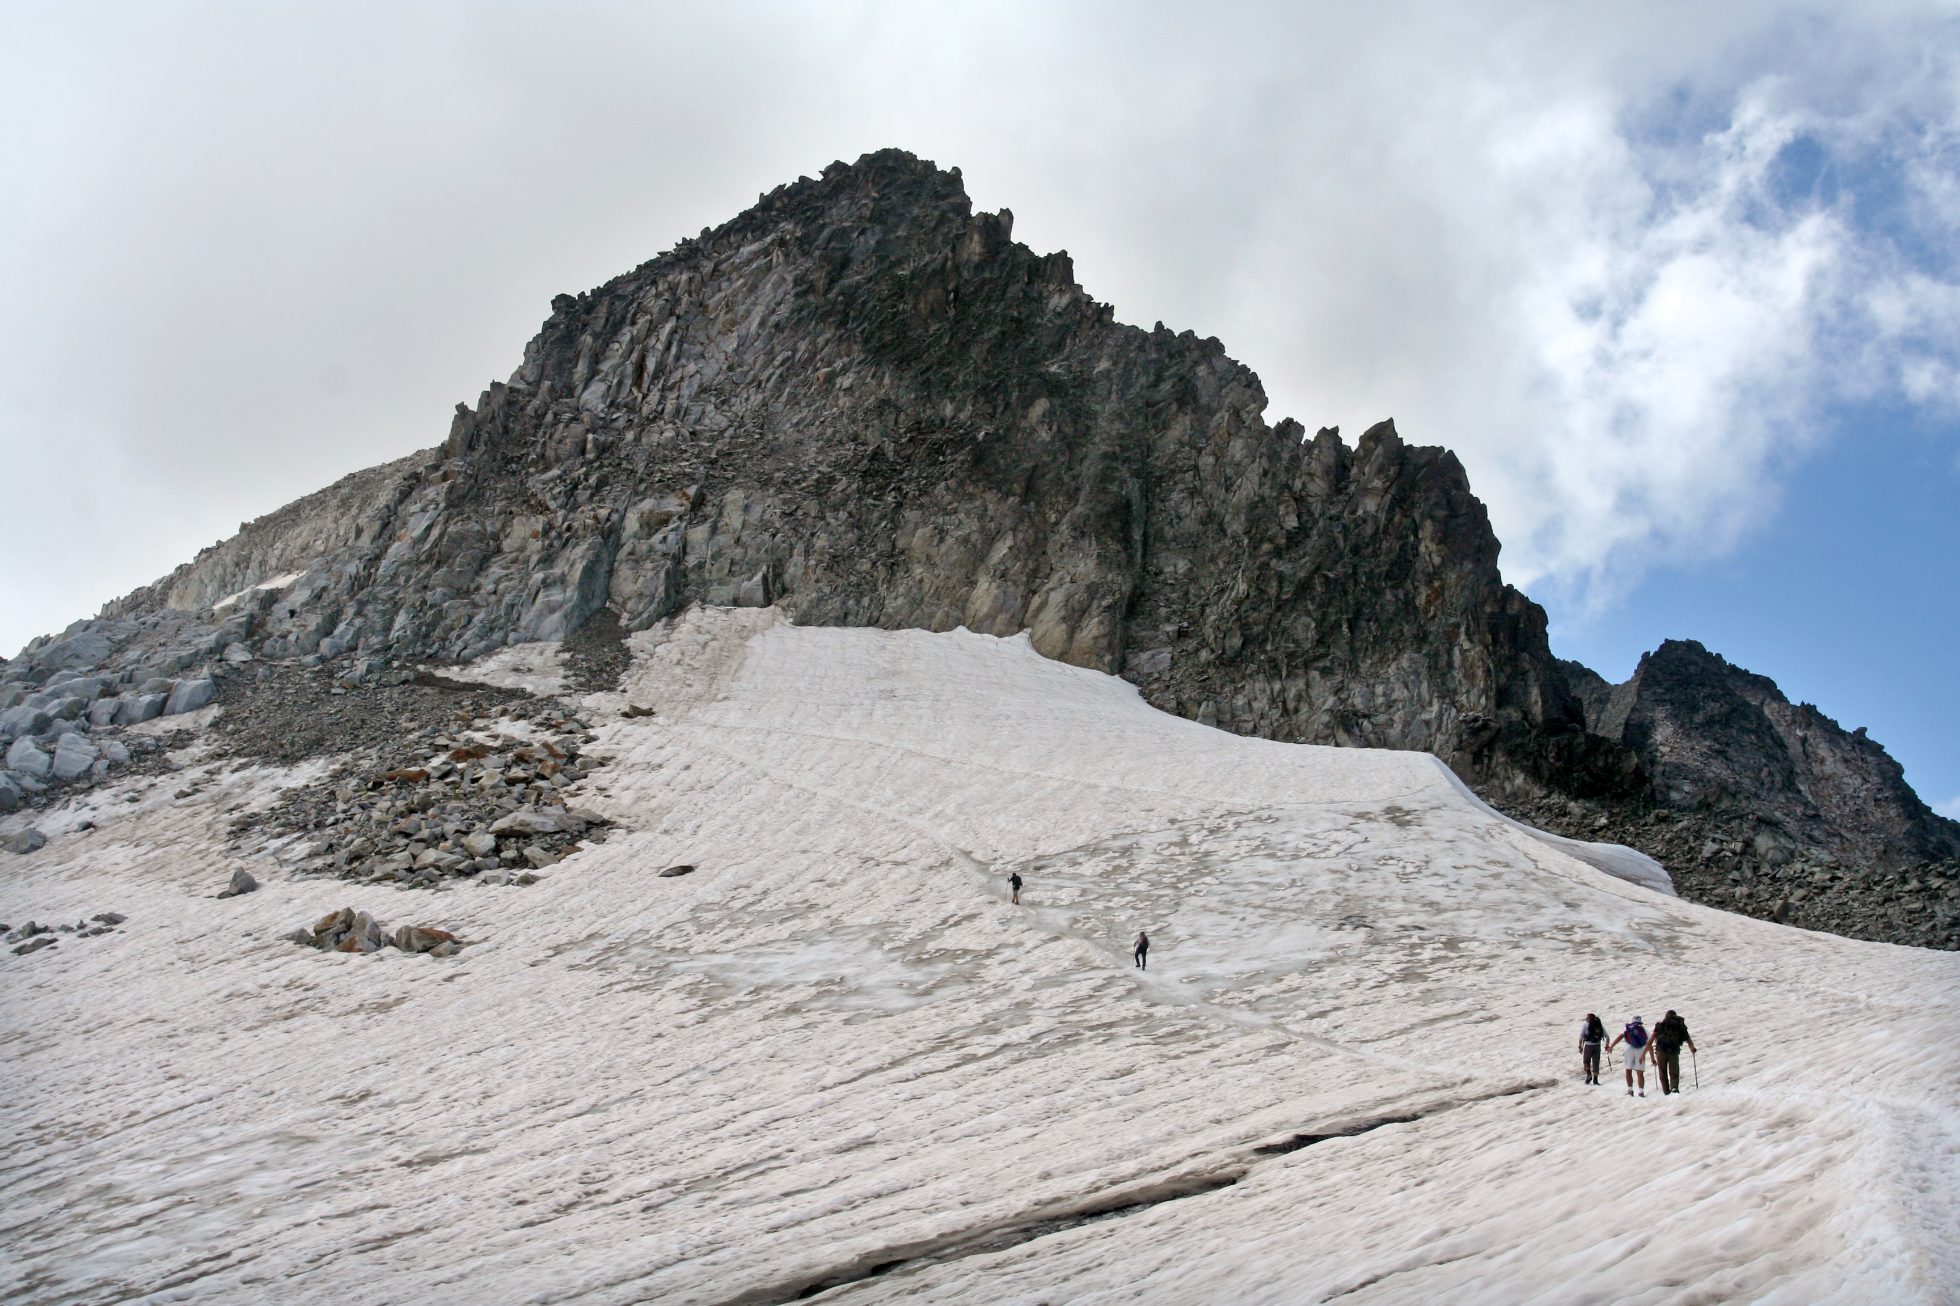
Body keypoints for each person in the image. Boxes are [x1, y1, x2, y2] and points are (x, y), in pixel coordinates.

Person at [1652, 1010, 1695, 1094]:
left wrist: (1647, 1054)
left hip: (1661, 1050)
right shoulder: (1679, 1026)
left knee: (1662, 1071)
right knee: (1674, 1070)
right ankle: (1674, 1088)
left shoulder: (1660, 1025)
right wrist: (1692, 1048)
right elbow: (1688, 1039)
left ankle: (1666, 1091)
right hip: (1674, 1050)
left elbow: (1650, 1040)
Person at [1607, 1016, 1651, 1096]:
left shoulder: (1628, 1029)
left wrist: (1611, 1047)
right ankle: (1641, 1092)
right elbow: (1649, 1043)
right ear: (1640, 1022)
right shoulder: (1643, 1029)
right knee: (1640, 1072)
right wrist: (1650, 1056)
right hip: (1640, 1051)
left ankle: (1630, 1091)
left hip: (1628, 1050)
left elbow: (1620, 1037)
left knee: (1628, 1070)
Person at [1579, 1013, 1607, 1085]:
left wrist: (1580, 1046)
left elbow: (1581, 1036)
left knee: (1586, 1061)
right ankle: (1595, 1080)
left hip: (1588, 1046)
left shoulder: (1585, 1024)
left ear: (1588, 1019)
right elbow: (1607, 1037)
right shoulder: (1599, 1025)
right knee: (1596, 1063)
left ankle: (1588, 1074)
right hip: (1597, 1046)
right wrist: (1607, 1045)